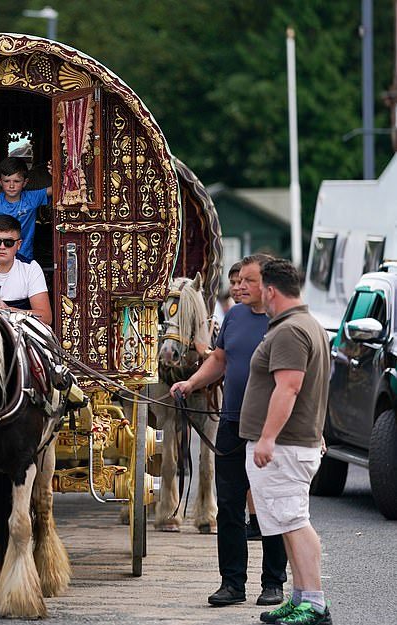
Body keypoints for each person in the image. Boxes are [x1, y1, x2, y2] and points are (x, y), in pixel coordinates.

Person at [170, 254, 288, 608]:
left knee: (269, 506)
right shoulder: (234, 316)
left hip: (268, 426)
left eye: (247, 281)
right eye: (237, 281)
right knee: (230, 505)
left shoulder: (281, 321)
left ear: (267, 284)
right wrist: (190, 383)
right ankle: (232, 583)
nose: (238, 286)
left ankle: (273, 582)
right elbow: (220, 359)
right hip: (232, 422)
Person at [243, 259, 332, 625]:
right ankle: (300, 597)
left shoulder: (291, 331)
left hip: (284, 446)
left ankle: (313, 602)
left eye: (258, 285)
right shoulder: (303, 325)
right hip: (291, 443)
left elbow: (291, 386)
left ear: (271, 290)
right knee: (287, 520)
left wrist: (267, 438)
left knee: (295, 521)